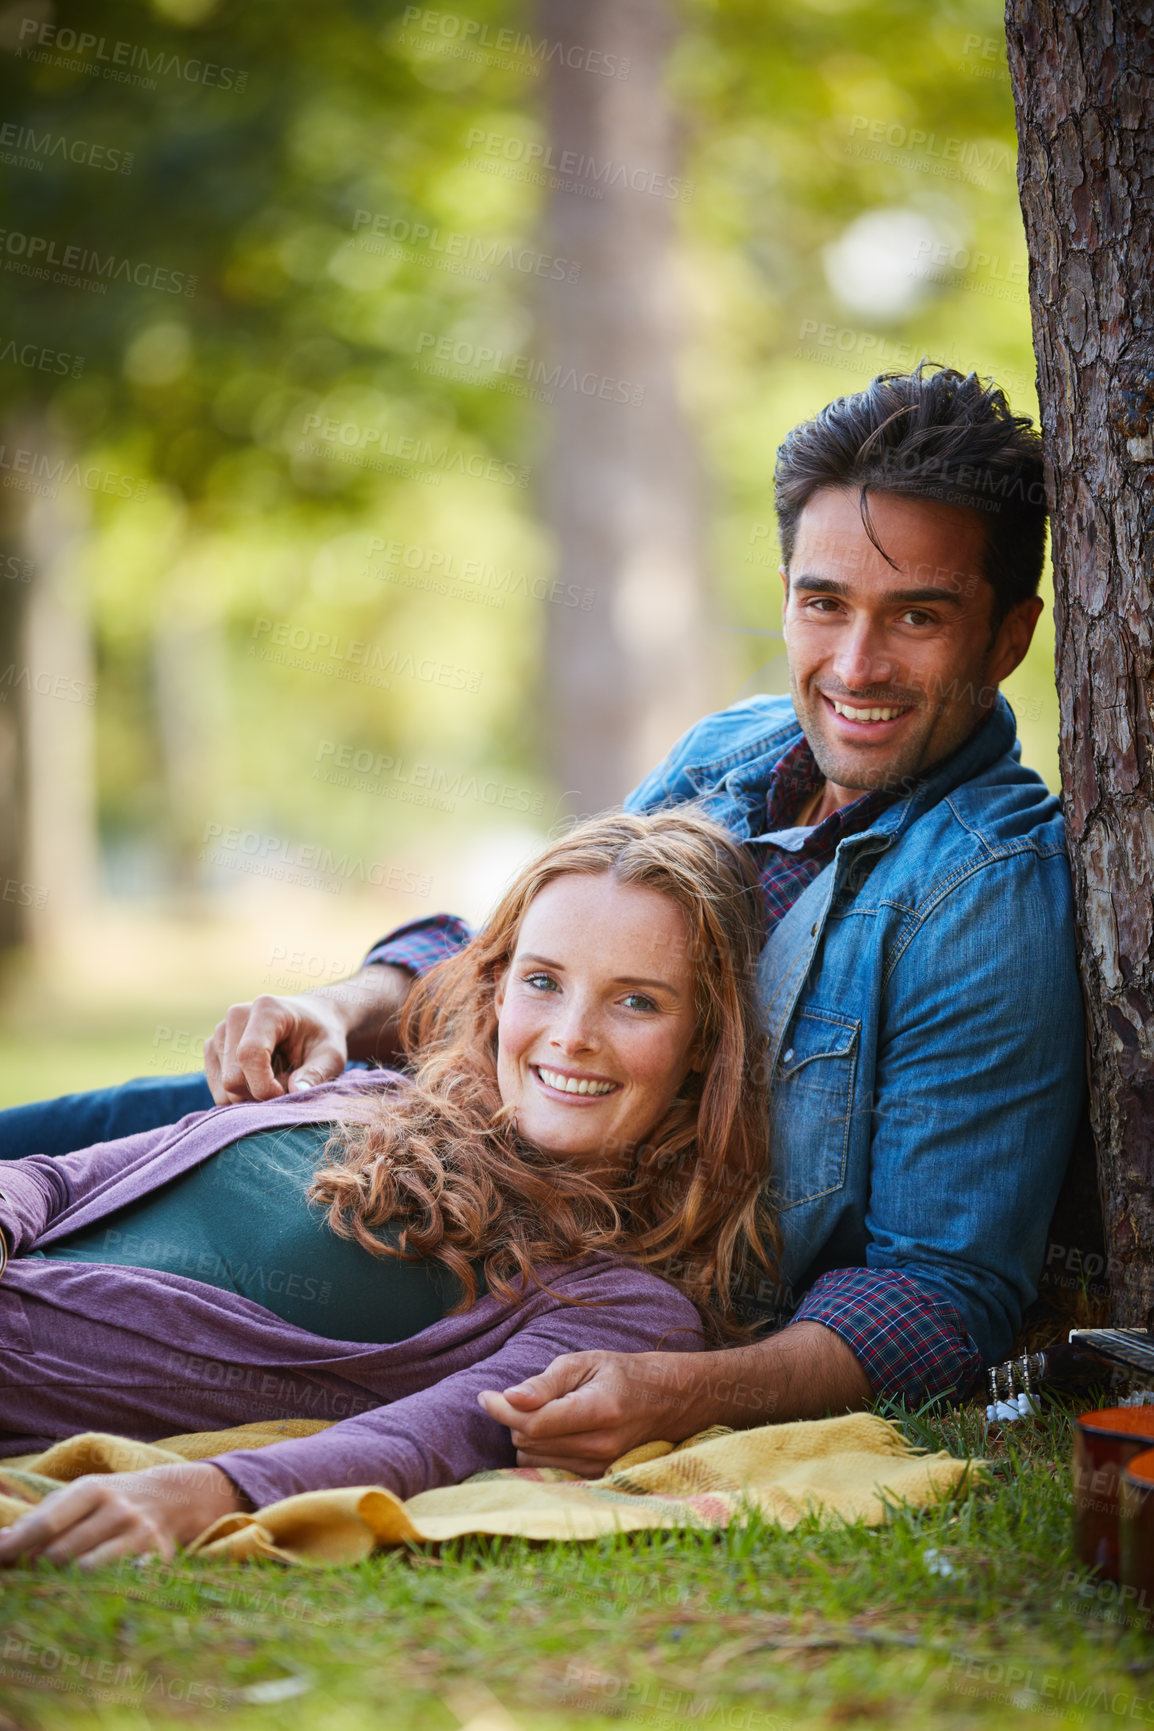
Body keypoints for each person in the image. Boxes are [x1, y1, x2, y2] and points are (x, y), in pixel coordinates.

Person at [0, 365, 1085, 1471]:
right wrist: (341, 1005)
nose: (854, 665)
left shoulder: (983, 898)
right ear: (783, 594)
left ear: (1006, 638)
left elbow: (941, 1293)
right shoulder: (734, 750)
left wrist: (683, 1389)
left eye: (916, 617)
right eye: (823, 603)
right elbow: (529, 950)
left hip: (538, 1272)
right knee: (108, 1129)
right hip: (421, 1141)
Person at [0, 810, 774, 1566]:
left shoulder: (621, 1303)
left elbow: (423, 1437)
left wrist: (210, 1490)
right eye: (543, 981)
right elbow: (53, 1178)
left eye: (636, 1000)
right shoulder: (364, 1092)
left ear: (704, 1040)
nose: (573, 1033)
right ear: (497, 993)